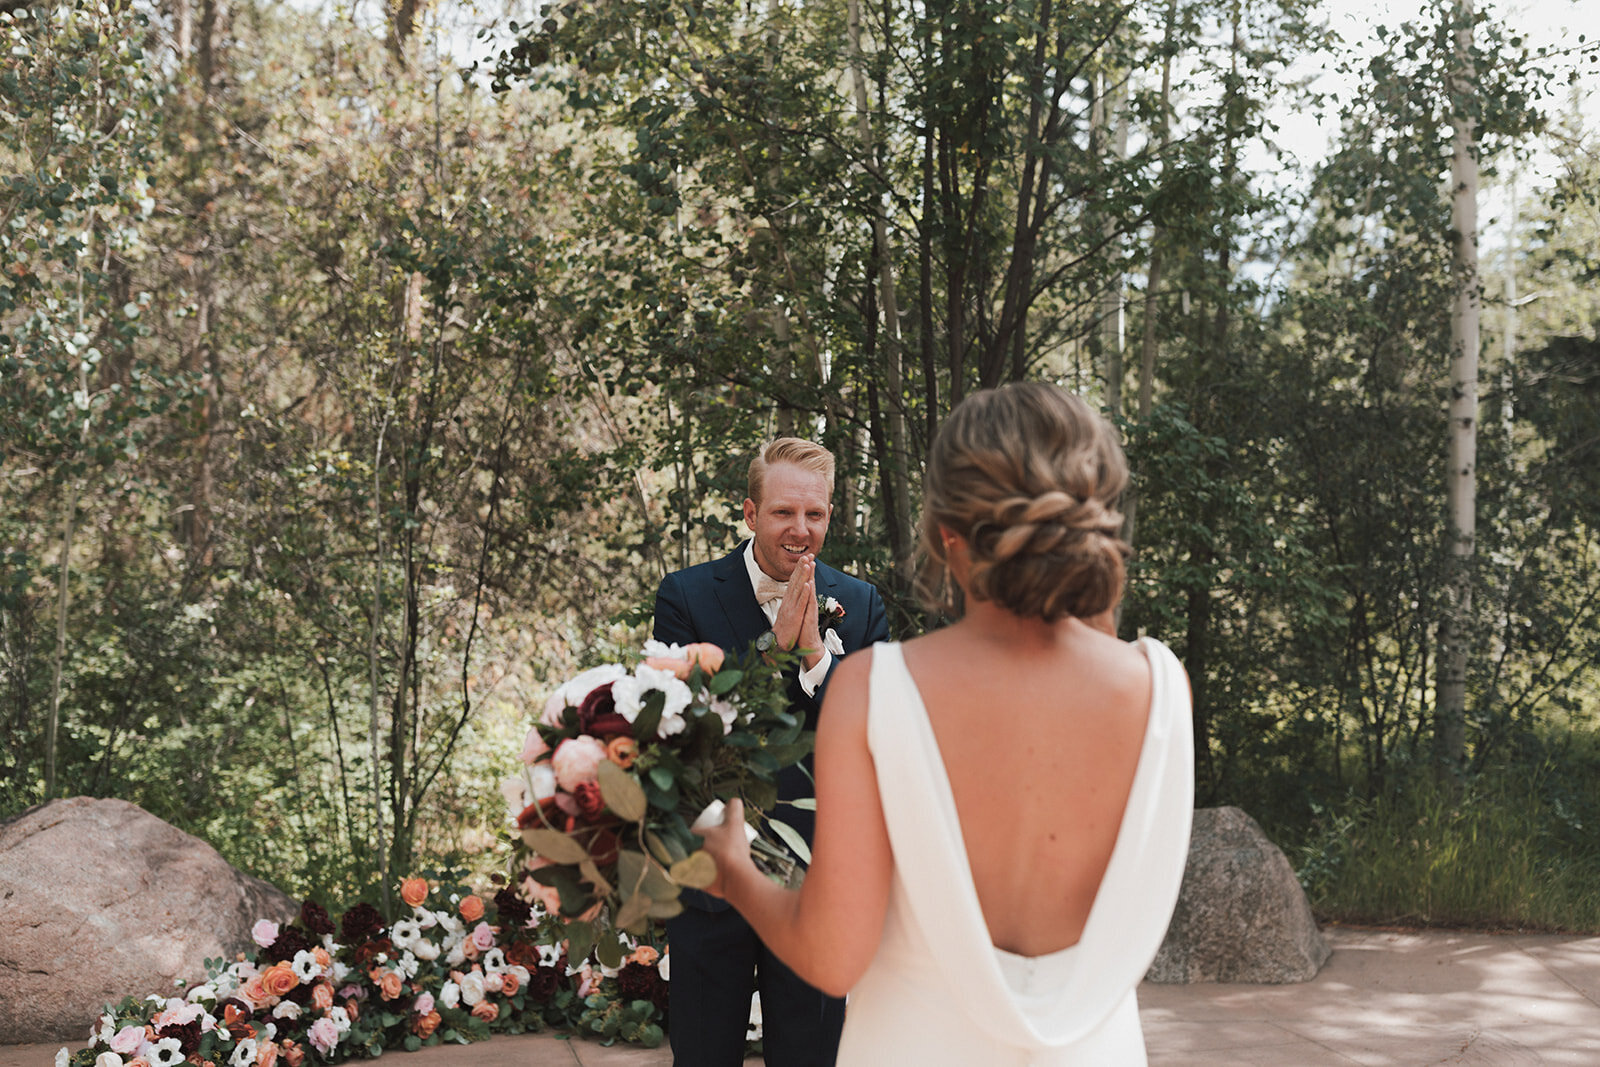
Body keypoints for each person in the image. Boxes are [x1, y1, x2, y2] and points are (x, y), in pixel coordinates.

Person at [700, 383, 1195, 1065]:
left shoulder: (876, 690)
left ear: (942, 531)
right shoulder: (1161, 687)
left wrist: (731, 869)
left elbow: (833, 958)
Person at [653, 436, 891, 1067]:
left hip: (817, 877)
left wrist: (814, 657)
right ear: (750, 513)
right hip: (711, 878)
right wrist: (768, 655)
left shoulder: (862, 605)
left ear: (830, 515)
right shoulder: (685, 597)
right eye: (785, 513)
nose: (801, 530)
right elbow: (681, 731)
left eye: (815, 514)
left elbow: (874, 733)